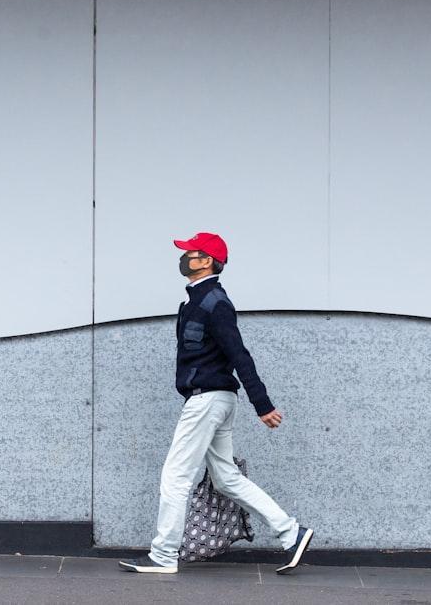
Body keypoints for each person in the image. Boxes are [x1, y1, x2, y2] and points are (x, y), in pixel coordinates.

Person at [119, 232, 313, 575]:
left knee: (175, 476)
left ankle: (163, 555)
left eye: (191, 252)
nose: (185, 257)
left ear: (206, 260)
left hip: (208, 400)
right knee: (226, 478)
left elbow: (239, 354)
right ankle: (291, 533)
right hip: (214, 399)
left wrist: (262, 403)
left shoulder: (214, 302)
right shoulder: (197, 300)